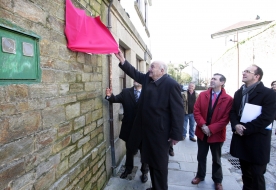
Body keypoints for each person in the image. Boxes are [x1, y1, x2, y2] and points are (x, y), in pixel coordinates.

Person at [114, 51, 184, 190]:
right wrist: (123, 61)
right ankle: (155, 187)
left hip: (160, 133)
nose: (149, 69)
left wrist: (176, 135)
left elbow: (178, 112)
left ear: (162, 70)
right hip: (145, 130)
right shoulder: (148, 78)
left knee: (159, 164)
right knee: (150, 160)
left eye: (152, 67)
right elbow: (135, 73)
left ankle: (160, 188)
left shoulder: (171, 85)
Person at [230, 65, 276, 190]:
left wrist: (245, 129)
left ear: (257, 76)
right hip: (241, 140)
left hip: (257, 142)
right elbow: (233, 112)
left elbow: (266, 118)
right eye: (243, 71)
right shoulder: (239, 93)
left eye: (247, 71)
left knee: (257, 176)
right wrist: (236, 125)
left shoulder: (269, 93)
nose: (243, 73)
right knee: (246, 175)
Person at [192, 73, 233, 190]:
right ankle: (200, 175)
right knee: (201, 156)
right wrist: (203, 125)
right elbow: (196, 111)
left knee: (217, 159)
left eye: (215, 79)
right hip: (202, 132)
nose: (212, 80)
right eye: (212, 78)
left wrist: (211, 129)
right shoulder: (203, 95)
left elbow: (226, 118)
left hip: (217, 134)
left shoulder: (229, 99)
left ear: (222, 82)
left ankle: (218, 180)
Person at [105, 81, 149, 183]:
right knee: (129, 150)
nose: (136, 80)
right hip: (129, 127)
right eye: (134, 79)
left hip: (143, 128)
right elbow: (115, 99)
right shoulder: (126, 92)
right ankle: (128, 169)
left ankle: (144, 172)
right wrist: (109, 96)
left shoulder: (148, 92)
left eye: (138, 79)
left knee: (144, 151)